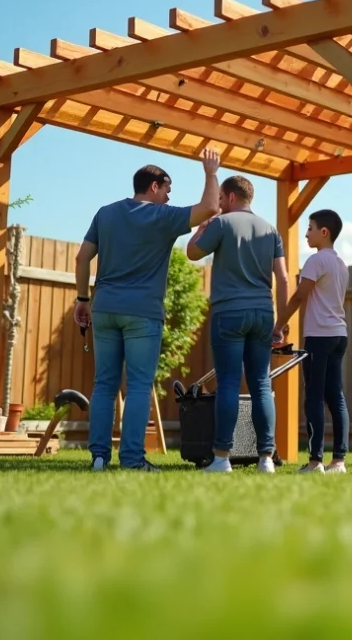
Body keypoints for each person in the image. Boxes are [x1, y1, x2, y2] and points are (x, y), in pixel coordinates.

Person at [73, 149, 221, 472]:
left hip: (105, 309)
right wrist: (210, 172)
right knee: (139, 385)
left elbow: (82, 257)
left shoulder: (105, 213)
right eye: (167, 190)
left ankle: (99, 457)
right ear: (153, 187)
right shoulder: (162, 218)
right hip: (142, 313)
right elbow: (211, 207)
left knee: (104, 384)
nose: (169, 198)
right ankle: (132, 459)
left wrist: (82, 299)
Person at [186, 174, 289, 474]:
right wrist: (281, 323)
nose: (218, 204)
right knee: (261, 383)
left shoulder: (221, 224)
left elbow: (192, 253)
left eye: (219, 199)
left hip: (228, 313)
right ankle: (266, 459)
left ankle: (221, 458)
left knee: (229, 382)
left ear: (230, 197)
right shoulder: (271, 230)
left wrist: (202, 226)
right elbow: (282, 279)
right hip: (262, 313)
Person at [273, 209, 350, 474]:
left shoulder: (316, 261)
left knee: (314, 397)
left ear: (324, 232)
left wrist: (279, 325)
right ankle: (339, 461)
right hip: (340, 335)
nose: (306, 233)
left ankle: (316, 461)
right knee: (335, 396)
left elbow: (298, 297)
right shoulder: (340, 264)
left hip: (320, 337)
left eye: (310, 228)